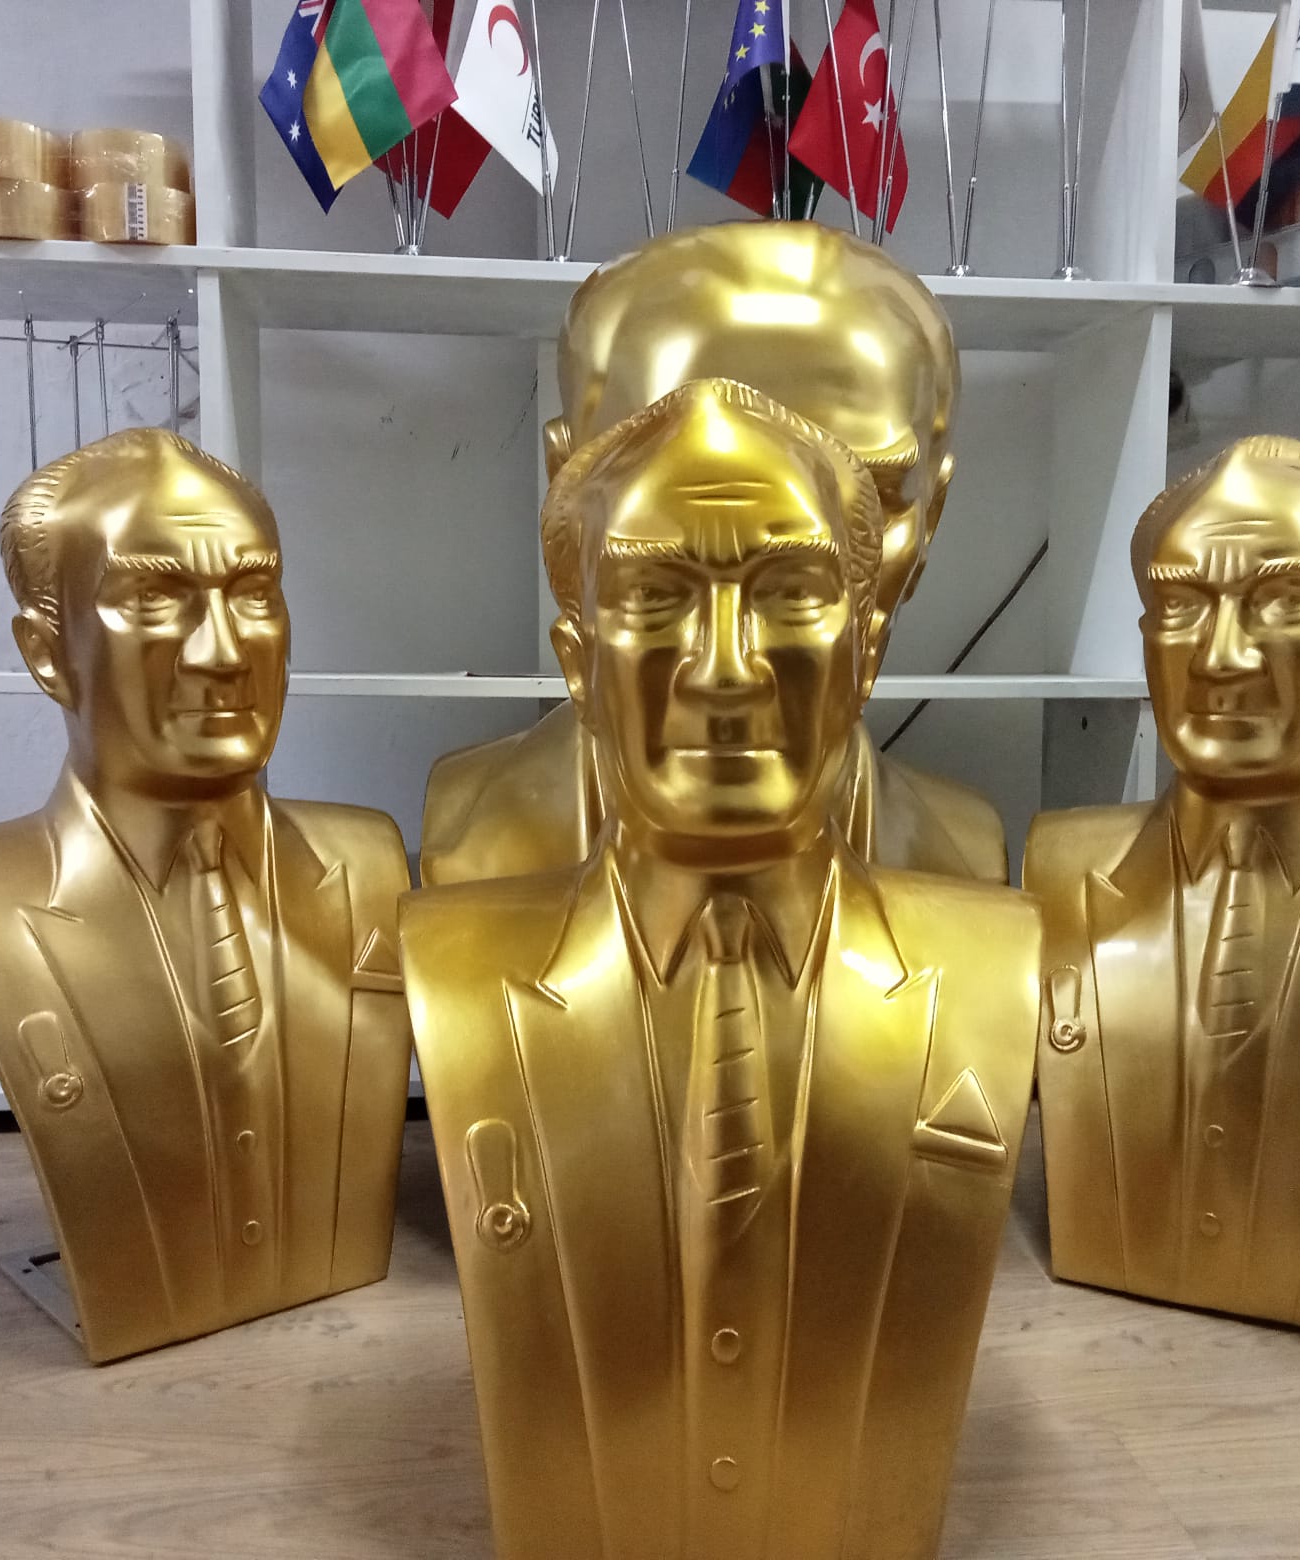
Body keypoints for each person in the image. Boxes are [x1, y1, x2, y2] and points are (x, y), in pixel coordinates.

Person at [403, 380, 1040, 1560]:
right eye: (657, 597)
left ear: (865, 651)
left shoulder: (991, 960)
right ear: (578, 663)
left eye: (790, 594)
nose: (726, 668)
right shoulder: (455, 967)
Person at [0, 429, 412, 1363]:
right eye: (156, 598)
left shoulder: (370, 859)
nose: (223, 651)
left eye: (252, 593)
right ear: (48, 653)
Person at [419, 221, 1007, 887]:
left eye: (871, 491)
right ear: (565, 485)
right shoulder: (471, 847)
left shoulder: (964, 863)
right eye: (684, 481)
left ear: (933, 515)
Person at [1027, 435, 1300, 1339]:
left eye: (1284, 601)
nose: (1221, 657)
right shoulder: (1056, 868)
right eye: (1181, 606)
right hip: (1098, 1326)